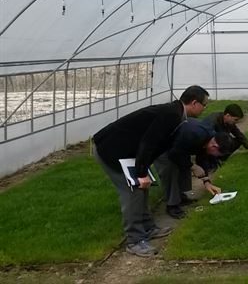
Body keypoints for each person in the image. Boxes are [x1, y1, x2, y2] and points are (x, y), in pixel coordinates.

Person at [92, 85, 209, 257]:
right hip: (112, 150)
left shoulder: (176, 113)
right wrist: (141, 173)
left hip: (129, 152)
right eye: (204, 104)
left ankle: (148, 227)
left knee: (143, 188)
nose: (206, 108)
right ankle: (134, 240)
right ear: (194, 103)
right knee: (132, 191)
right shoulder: (171, 115)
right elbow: (149, 143)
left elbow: (155, 145)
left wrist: (143, 169)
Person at [155, 119, 233, 219]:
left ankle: (180, 197)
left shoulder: (209, 139)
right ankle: (172, 205)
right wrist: (192, 166)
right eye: (218, 154)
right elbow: (174, 154)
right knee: (171, 170)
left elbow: (202, 159)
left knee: (184, 165)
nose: (216, 156)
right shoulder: (195, 135)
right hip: (163, 146)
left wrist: (207, 182)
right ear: (214, 146)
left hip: (179, 147)